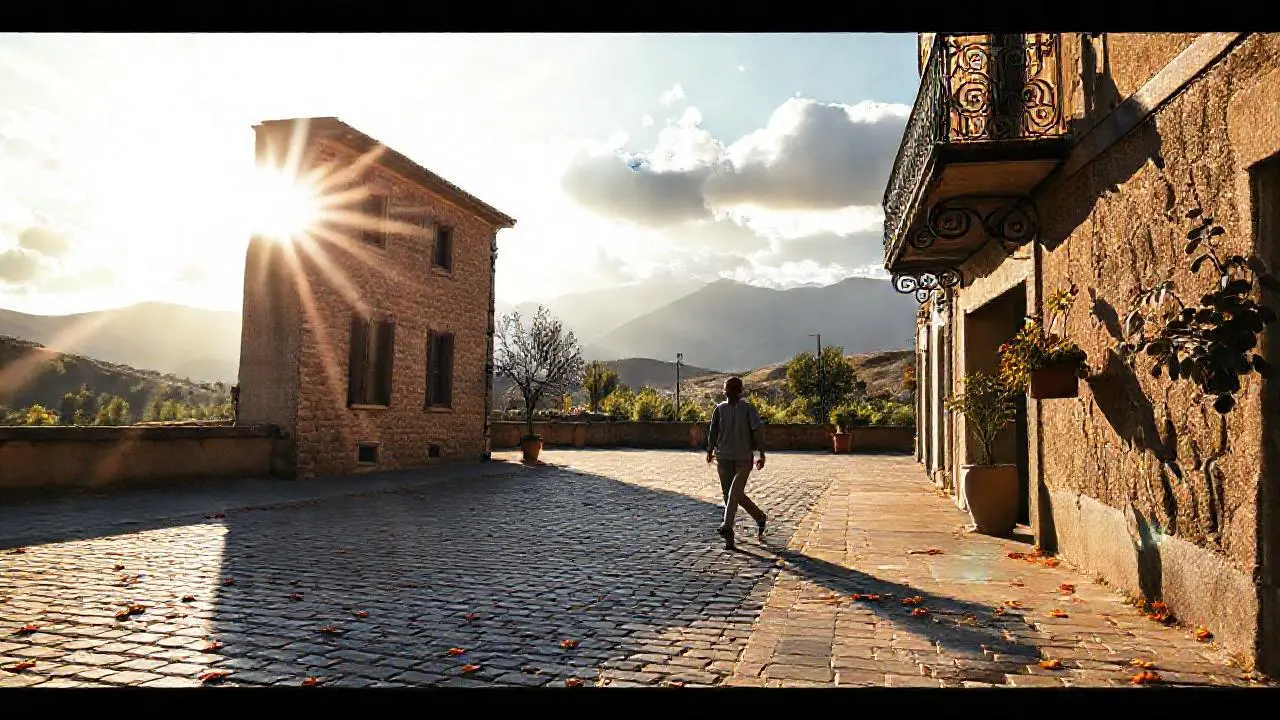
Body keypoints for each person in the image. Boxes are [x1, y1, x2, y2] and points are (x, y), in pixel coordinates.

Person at [705, 376, 767, 550]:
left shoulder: (748, 409)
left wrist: (761, 454)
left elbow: (757, 431)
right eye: (726, 389)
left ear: (738, 391)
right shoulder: (719, 409)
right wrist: (709, 450)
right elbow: (713, 431)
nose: (727, 392)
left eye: (730, 389)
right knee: (730, 495)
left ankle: (727, 526)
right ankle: (757, 518)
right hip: (723, 457)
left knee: (735, 491)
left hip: (743, 459)